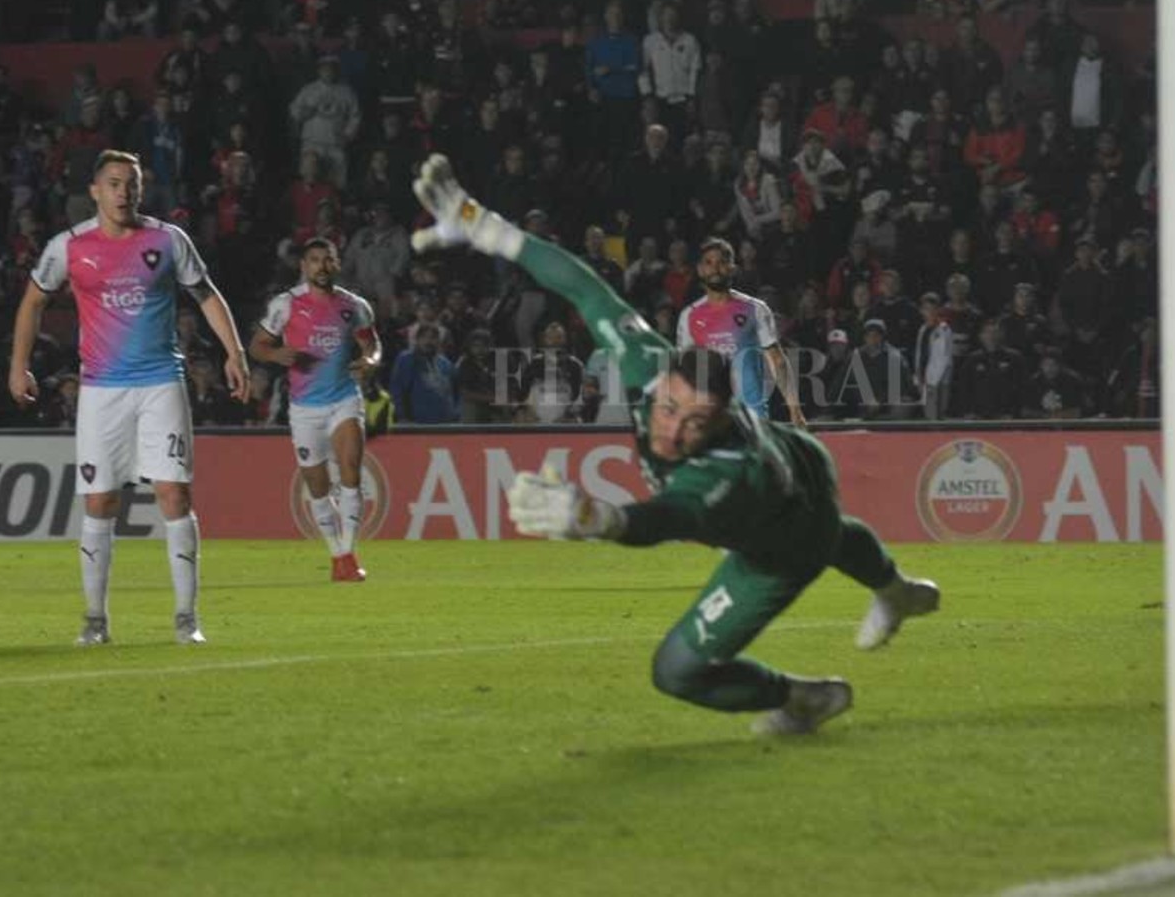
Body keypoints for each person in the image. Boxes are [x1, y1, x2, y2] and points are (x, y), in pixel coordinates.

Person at [411, 154, 938, 736]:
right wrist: (485, 227)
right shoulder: (652, 363)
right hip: (799, 462)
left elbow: (665, 517)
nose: (673, 430)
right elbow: (584, 288)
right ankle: (894, 594)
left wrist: (599, 518)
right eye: (669, 408)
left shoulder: (726, 470)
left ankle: (801, 698)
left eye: (696, 423)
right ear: (660, 382)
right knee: (833, 529)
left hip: (783, 536)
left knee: (678, 668)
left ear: (720, 422)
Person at [8, 150, 250, 646]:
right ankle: (95, 620)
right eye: (114, 184)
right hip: (101, 390)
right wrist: (18, 364)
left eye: (131, 184)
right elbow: (33, 300)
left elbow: (206, 295)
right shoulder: (69, 247)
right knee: (100, 501)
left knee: (174, 494)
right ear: (95, 190)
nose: (124, 192)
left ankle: (187, 618)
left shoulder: (167, 239)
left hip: (161, 382)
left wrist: (235, 353)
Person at [250, 238, 381, 583]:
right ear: (304, 266)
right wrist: (277, 355)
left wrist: (370, 360)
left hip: (344, 400)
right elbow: (258, 345)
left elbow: (372, 342)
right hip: (305, 408)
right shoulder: (286, 305)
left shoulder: (354, 306)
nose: (321, 266)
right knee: (319, 488)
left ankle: (350, 556)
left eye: (328, 260)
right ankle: (336, 553)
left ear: (337, 265)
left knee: (351, 470)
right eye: (314, 260)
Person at [676, 238, 805, 425]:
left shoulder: (756, 309)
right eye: (709, 263)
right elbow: (685, 371)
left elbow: (777, 360)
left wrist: (795, 408)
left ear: (732, 268)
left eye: (722, 262)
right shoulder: (689, 315)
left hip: (753, 418)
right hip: (708, 419)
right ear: (700, 270)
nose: (715, 268)